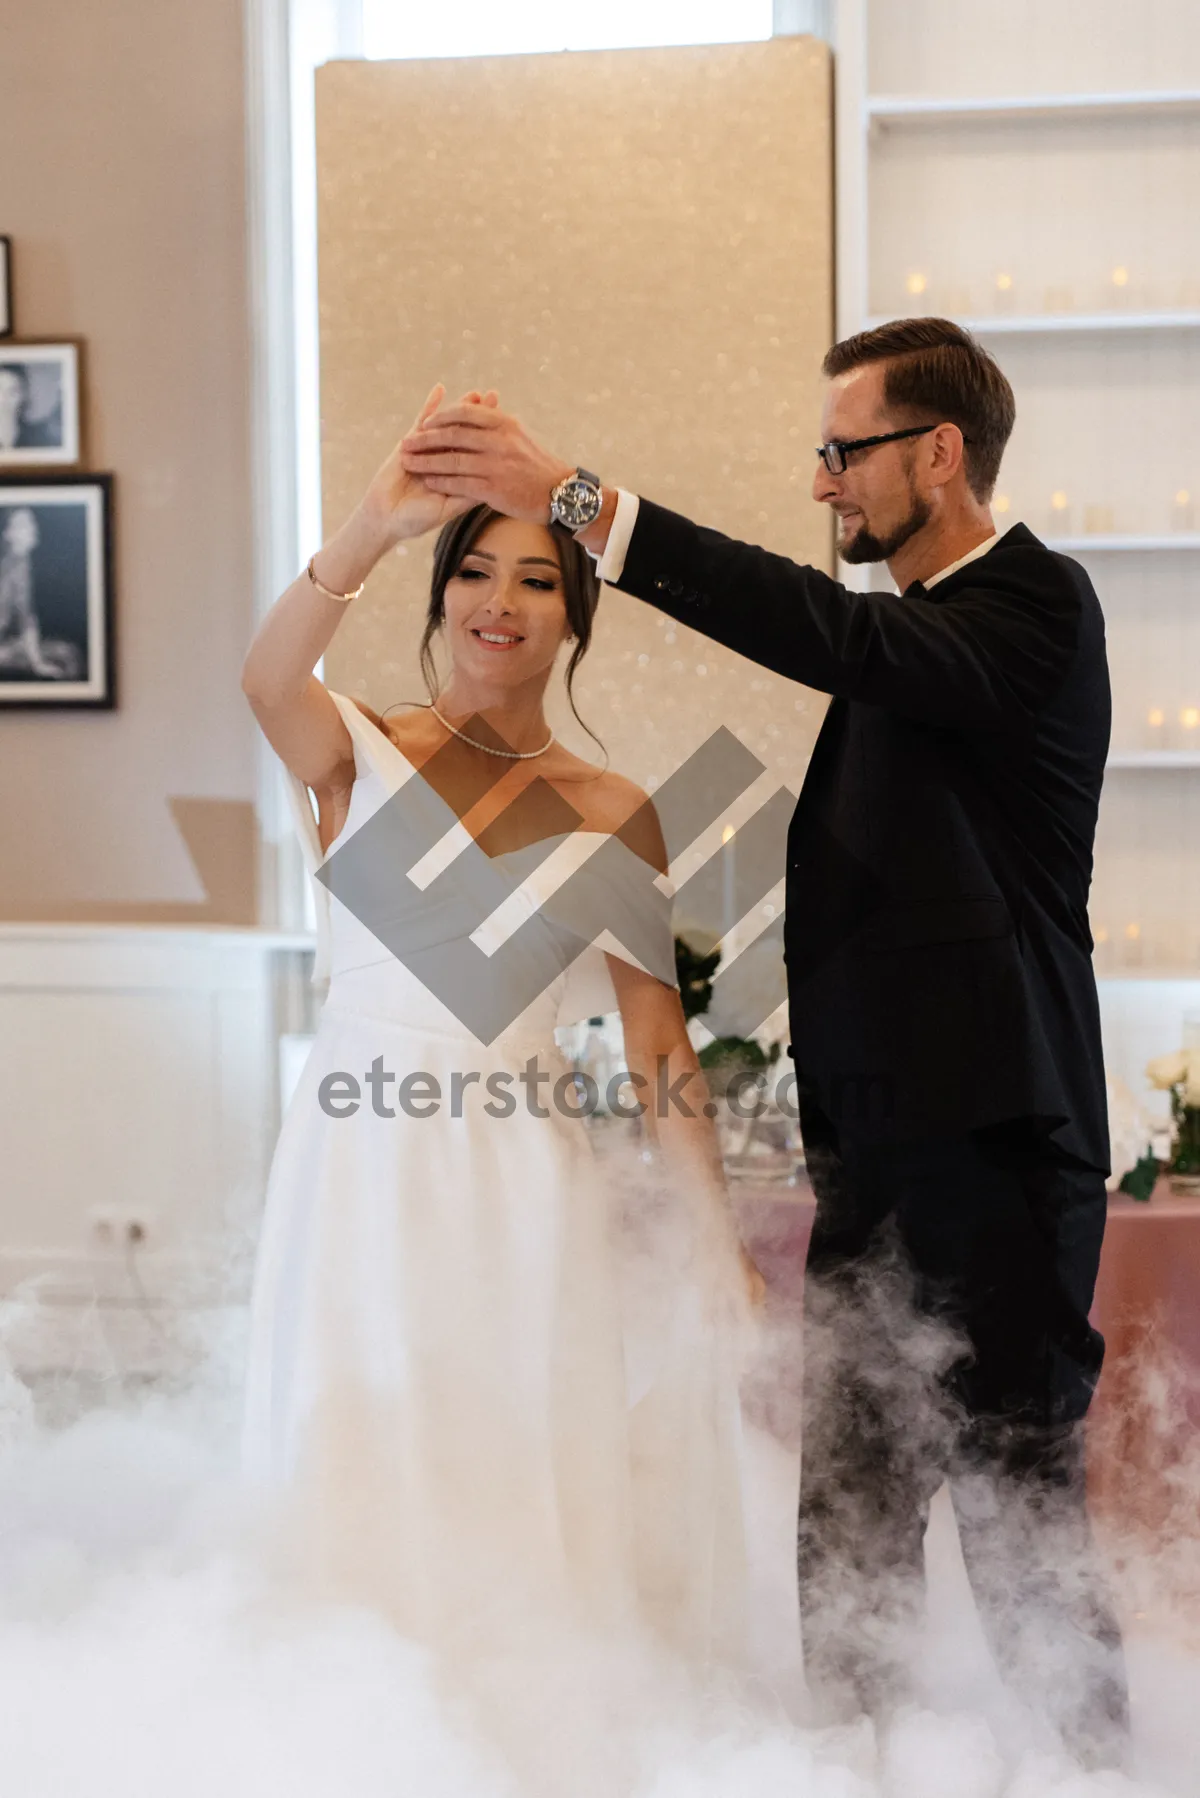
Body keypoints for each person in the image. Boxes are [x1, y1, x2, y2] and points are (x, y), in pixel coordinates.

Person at [398, 318, 1130, 1762]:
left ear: (939, 451)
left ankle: (1101, 1774)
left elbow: (822, 623)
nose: (823, 485)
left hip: (1001, 1151)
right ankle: (857, 1770)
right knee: (847, 1537)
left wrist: (583, 502)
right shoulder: (921, 640)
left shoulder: (1035, 609)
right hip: (887, 1165)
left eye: (843, 453)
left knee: (1016, 1511)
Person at [239, 385, 758, 1691]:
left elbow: (660, 1054)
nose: (500, 599)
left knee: (518, 1426)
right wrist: (372, 523)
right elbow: (262, 675)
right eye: (474, 570)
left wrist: (716, 1244)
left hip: (527, 1167)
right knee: (364, 1421)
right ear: (438, 596)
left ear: (572, 618)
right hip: (362, 1164)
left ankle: (530, 1713)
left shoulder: (614, 808)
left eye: (537, 578)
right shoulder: (354, 751)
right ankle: (348, 1718)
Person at [0, 505, 82, 677]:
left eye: (31, 522)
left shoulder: (22, 563)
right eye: (24, 524)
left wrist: (37, 661)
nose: (32, 528)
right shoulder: (6, 567)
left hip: (11, 643)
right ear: (8, 533)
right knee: (67, 657)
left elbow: (26, 617)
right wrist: (36, 661)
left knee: (68, 653)